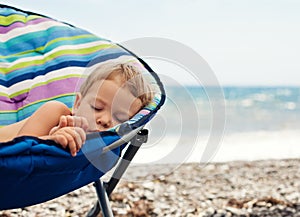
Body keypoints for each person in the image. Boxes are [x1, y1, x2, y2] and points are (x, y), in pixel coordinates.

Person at [0, 61, 153, 157]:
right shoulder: (55, 112)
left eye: (120, 118)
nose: (105, 120)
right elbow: (18, 151)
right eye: (97, 107)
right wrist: (51, 140)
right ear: (78, 104)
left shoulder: (101, 145)